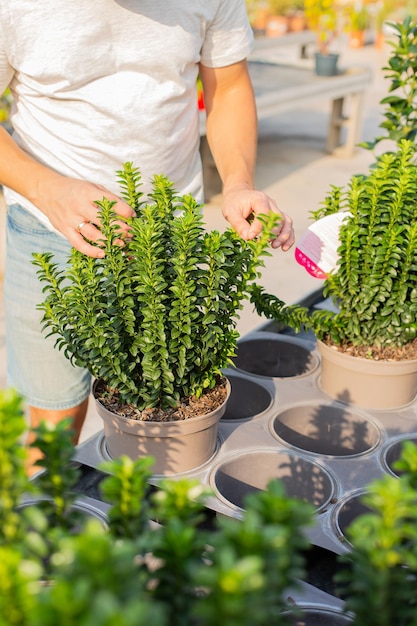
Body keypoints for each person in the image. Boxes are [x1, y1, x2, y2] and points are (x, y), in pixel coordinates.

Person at [0, 1, 294, 472]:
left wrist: (238, 181)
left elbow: (230, 85)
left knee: (171, 407)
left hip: (170, 233)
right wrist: (47, 189)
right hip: (50, 228)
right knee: (54, 421)